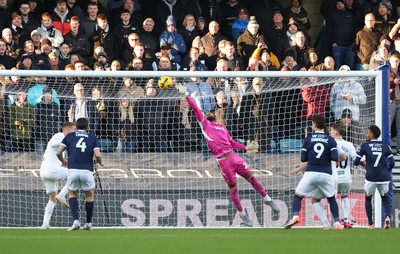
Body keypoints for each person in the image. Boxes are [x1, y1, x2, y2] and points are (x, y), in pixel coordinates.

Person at [175, 83, 280, 227]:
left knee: (252, 177)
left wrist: (245, 147)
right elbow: (194, 107)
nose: (209, 113)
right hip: (223, 162)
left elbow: (232, 142)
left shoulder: (222, 127)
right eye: (207, 113)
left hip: (234, 156)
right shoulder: (204, 124)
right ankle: (243, 214)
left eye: (212, 112)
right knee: (234, 188)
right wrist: (186, 95)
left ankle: (267, 198)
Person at [283, 115, 343, 230]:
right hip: (326, 174)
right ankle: (336, 223)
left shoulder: (308, 139)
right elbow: (335, 157)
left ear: (315, 125)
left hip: (311, 174)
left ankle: (295, 216)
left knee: (298, 196)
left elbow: (303, 159)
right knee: (331, 199)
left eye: (312, 124)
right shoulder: (330, 140)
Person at [56, 117, 105, 231]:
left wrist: (62, 161)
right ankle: (88, 223)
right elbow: (97, 154)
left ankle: (76, 222)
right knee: (89, 195)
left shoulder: (69, 136)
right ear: (87, 127)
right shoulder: (92, 138)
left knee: (72, 194)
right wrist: (101, 162)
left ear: (76, 127)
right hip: (87, 171)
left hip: (72, 170)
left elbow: (58, 151)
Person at [354, 125, 394, 229]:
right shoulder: (386, 146)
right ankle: (388, 217)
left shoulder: (365, 146)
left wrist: (363, 164)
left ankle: (371, 224)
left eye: (367, 132)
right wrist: (387, 171)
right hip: (384, 177)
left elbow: (356, 162)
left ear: (372, 134)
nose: (366, 135)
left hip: (371, 177)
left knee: (368, 198)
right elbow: (393, 163)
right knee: (384, 197)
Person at [40, 122, 76, 229]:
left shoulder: (66, 140)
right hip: (50, 169)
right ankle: (63, 194)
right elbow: (51, 145)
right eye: (74, 131)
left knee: (52, 198)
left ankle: (45, 224)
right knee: (75, 175)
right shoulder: (59, 136)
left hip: (47, 170)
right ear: (68, 130)